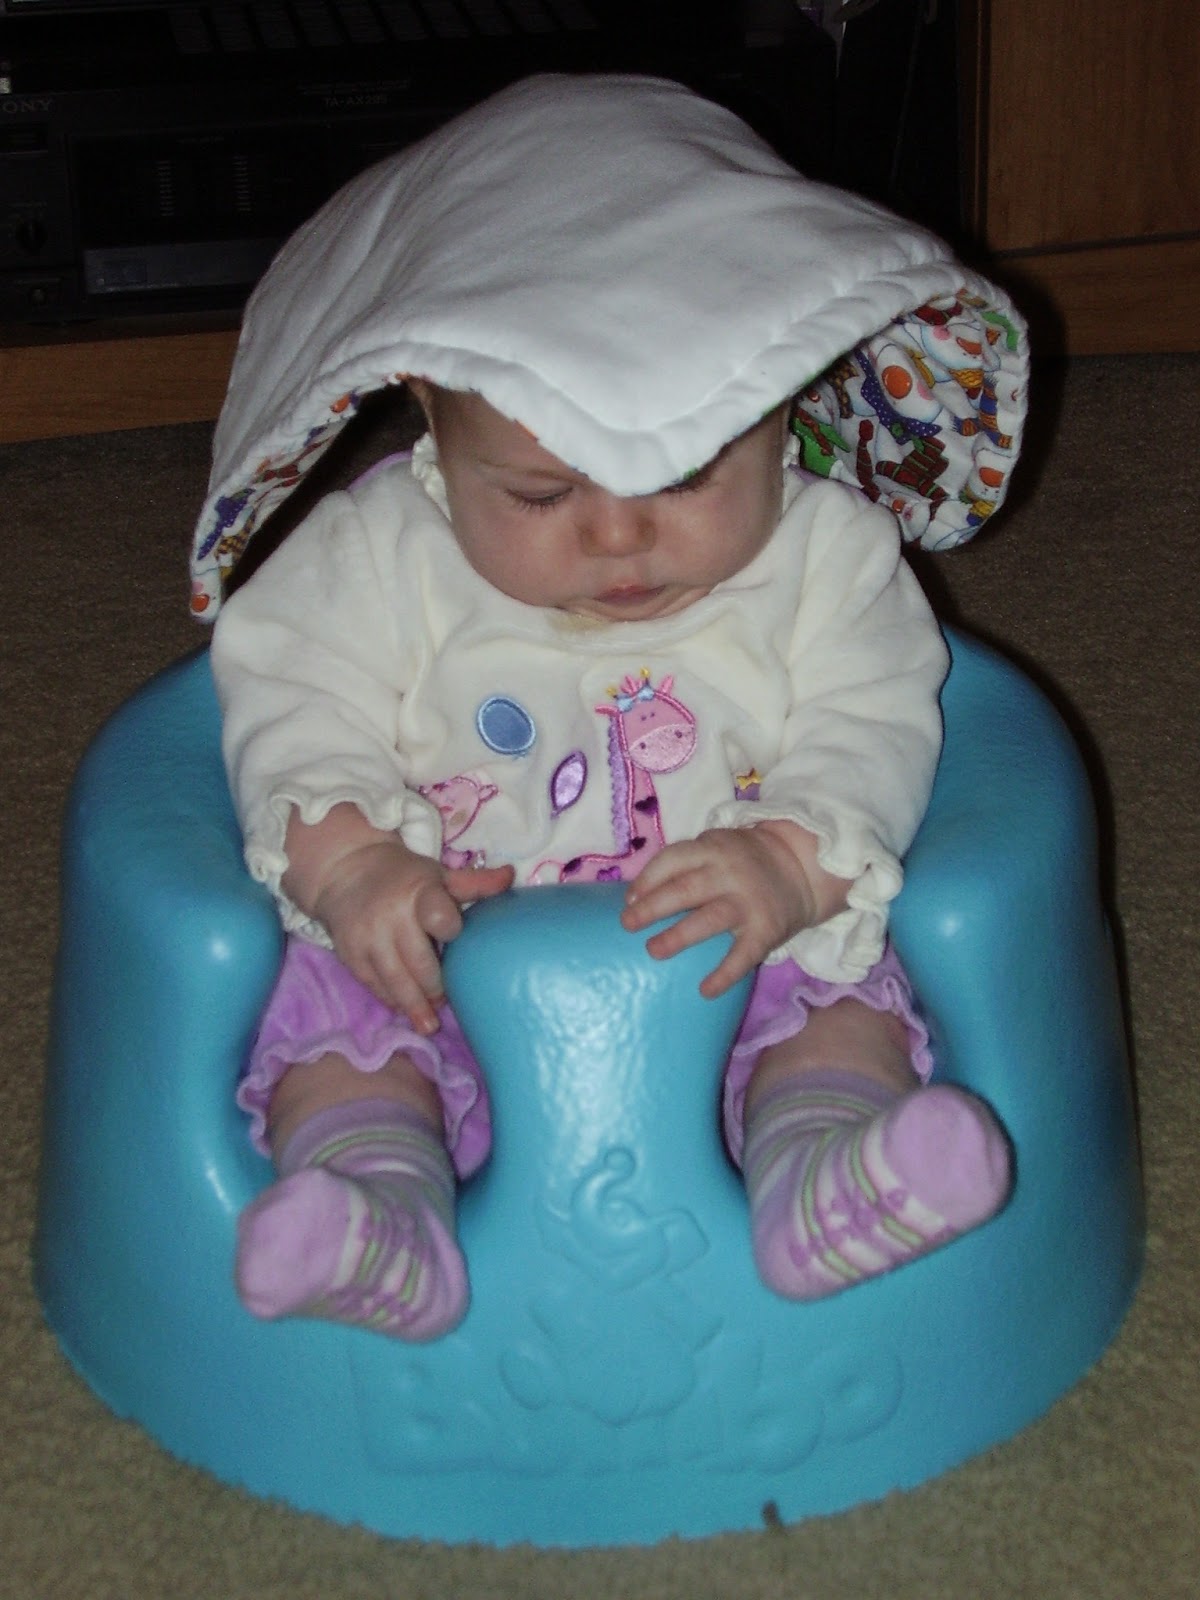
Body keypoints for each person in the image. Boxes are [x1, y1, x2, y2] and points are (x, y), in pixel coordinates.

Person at [203, 74, 1025, 1343]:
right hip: (439, 954)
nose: (620, 536)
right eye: (540, 495)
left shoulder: (830, 554)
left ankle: (827, 1172)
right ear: (428, 407)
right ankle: (375, 1205)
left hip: (737, 944)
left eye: (689, 474)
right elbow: (288, 690)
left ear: (784, 399)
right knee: (342, 1033)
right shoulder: (374, 554)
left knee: (839, 1002)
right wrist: (354, 864)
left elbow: (875, 716)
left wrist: (791, 860)